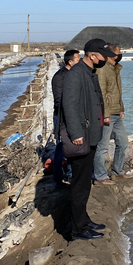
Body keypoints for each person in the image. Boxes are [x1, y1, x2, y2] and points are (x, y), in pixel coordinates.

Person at [61, 38, 115, 240]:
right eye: (103, 56)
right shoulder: (76, 74)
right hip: (81, 137)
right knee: (80, 185)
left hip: (90, 135)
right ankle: (78, 229)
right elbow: (69, 105)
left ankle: (83, 220)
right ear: (92, 56)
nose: (105, 59)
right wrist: (76, 134)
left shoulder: (89, 72)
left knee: (84, 183)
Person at [94, 44, 128, 184]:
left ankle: (117, 170)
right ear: (112, 54)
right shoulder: (102, 69)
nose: (120, 54)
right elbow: (101, 93)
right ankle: (100, 175)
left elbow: (116, 92)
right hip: (108, 114)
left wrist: (121, 109)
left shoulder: (115, 68)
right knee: (102, 146)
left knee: (123, 142)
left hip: (116, 112)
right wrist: (106, 114)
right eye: (119, 51)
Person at [51, 49, 80, 184]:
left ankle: (71, 174)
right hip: (62, 116)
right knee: (61, 146)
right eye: (78, 59)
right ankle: (58, 176)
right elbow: (59, 100)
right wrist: (68, 114)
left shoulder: (74, 75)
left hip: (73, 114)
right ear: (70, 62)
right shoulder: (60, 77)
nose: (80, 62)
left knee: (73, 146)